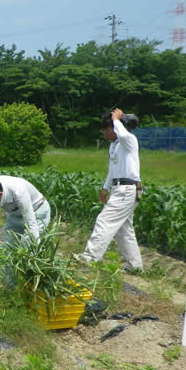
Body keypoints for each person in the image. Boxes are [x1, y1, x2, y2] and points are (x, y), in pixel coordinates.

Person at [74, 109, 143, 271]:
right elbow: (112, 169)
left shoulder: (129, 140)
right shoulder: (114, 146)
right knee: (123, 230)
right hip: (119, 188)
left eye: (106, 130)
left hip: (127, 189)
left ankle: (90, 258)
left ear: (114, 128)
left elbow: (124, 135)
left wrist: (116, 119)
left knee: (104, 221)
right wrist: (105, 188)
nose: (104, 133)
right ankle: (135, 266)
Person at [0, 176, 51, 288]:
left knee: (26, 252)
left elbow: (31, 224)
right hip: (14, 215)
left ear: (0, 194)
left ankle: (32, 287)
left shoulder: (18, 191)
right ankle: (11, 288)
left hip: (37, 213)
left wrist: (33, 252)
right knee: (6, 251)